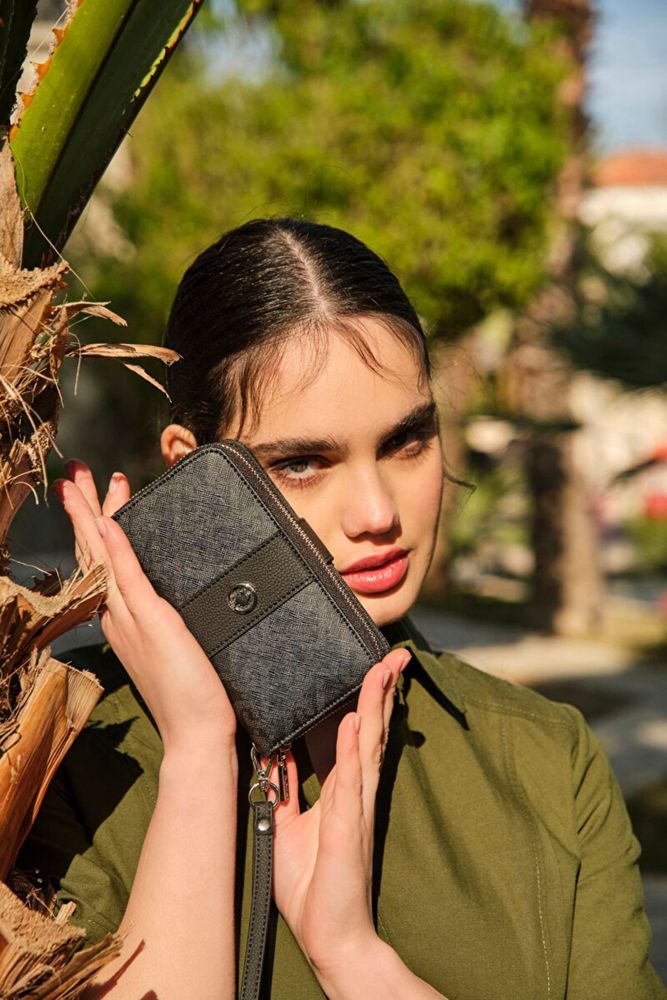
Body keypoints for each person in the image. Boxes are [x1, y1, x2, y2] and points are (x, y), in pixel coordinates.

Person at [20, 219, 663, 1000]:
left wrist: (354, 959)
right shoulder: (62, 753)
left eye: (405, 442)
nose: (376, 512)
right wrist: (197, 753)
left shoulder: (546, 761)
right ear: (194, 474)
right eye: (302, 462)